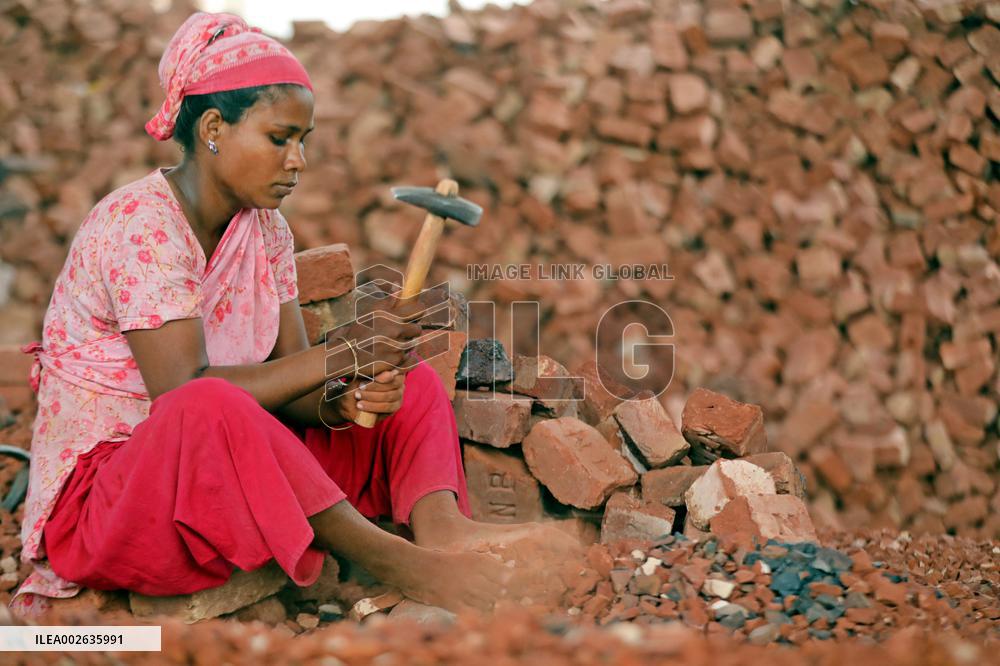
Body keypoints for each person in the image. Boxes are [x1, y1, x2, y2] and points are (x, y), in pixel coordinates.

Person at [10, 11, 530, 618]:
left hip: (228, 465)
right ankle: (395, 561)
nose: (297, 160)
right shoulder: (140, 224)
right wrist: (343, 352)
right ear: (213, 128)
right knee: (207, 402)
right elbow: (183, 395)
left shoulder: (267, 230)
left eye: (303, 140)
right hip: (116, 501)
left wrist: (343, 400)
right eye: (280, 138)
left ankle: (442, 528)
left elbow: (293, 389)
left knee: (408, 376)